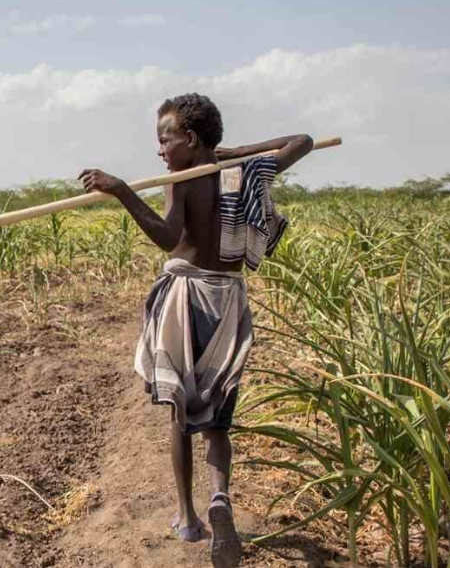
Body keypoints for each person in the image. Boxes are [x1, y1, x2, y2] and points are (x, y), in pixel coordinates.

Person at [78, 93, 314, 568]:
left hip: (187, 298)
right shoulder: (244, 173)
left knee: (181, 414)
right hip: (227, 299)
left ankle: (188, 518)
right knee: (219, 416)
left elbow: (167, 237)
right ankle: (220, 498)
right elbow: (303, 141)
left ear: (189, 138)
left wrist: (122, 191)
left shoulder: (181, 181)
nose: (160, 151)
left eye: (165, 139)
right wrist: (232, 154)